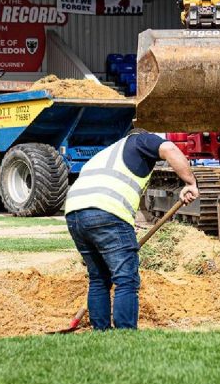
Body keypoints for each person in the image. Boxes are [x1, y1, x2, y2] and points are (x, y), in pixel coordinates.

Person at [63, 129, 199, 330]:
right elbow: (169, 148)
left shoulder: (106, 155)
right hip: (107, 211)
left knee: (99, 278)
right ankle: (125, 333)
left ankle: (100, 332)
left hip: (75, 214)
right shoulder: (140, 140)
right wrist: (190, 182)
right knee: (125, 279)